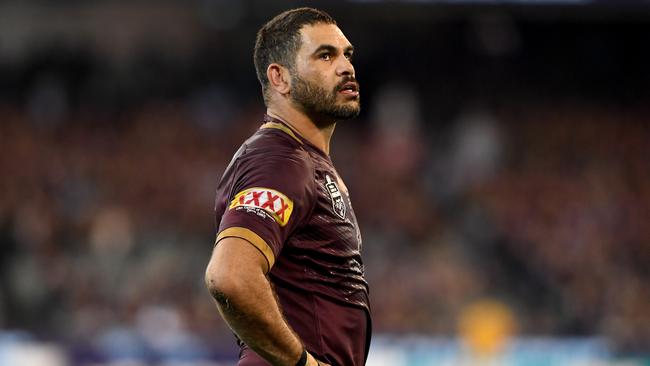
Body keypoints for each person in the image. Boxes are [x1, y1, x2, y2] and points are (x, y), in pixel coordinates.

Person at [204, 7, 371, 366]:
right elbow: (230, 277)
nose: (346, 67)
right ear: (280, 78)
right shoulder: (280, 160)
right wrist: (303, 364)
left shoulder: (303, 160)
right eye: (325, 55)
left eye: (347, 54)